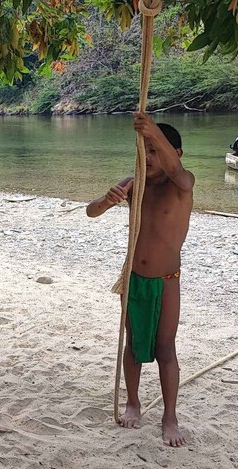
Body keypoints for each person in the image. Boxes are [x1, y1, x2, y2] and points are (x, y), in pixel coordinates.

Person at [86, 112, 195, 447]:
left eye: (155, 151)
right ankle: (133, 402)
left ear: (174, 153)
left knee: (165, 348)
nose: (148, 157)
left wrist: (151, 130)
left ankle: (170, 417)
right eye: (143, 150)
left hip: (166, 279)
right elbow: (91, 210)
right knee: (133, 344)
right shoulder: (135, 183)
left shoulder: (181, 185)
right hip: (134, 278)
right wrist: (107, 200)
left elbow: (179, 173)